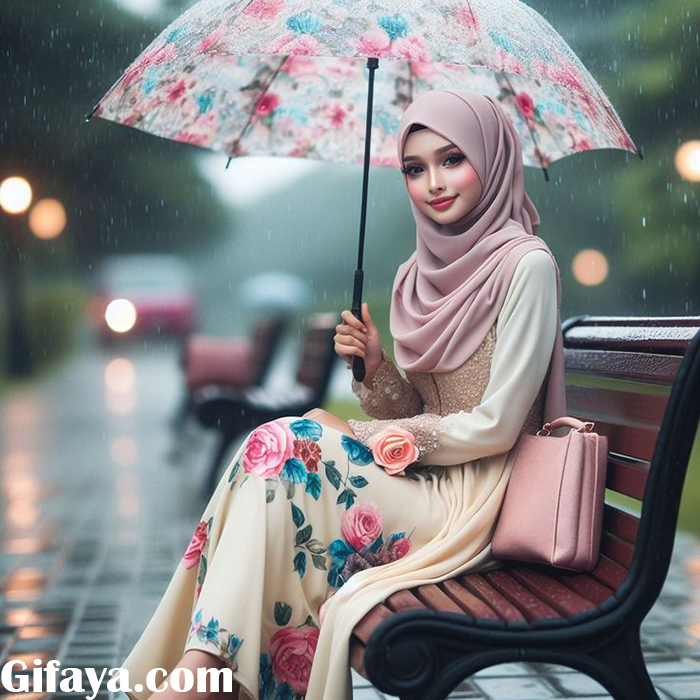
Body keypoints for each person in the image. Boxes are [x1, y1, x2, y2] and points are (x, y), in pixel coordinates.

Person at [116, 88, 566, 700]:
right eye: (414, 168)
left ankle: (203, 680)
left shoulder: (527, 266)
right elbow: (425, 413)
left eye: (452, 159)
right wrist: (377, 371)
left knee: (295, 444)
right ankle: (206, 672)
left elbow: (497, 425)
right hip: (426, 483)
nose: (433, 182)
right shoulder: (419, 271)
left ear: (492, 159)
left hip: (477, 506)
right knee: (275, 448)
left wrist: (360, 434)